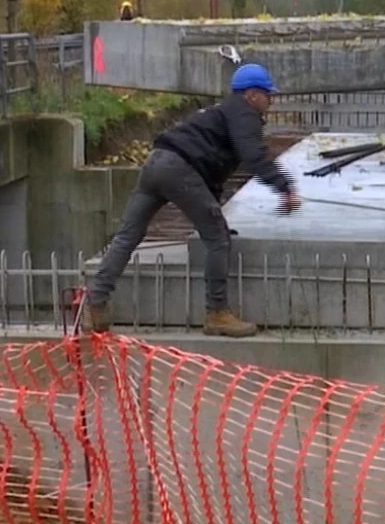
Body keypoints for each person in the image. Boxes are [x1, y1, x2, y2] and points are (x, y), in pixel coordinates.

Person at [79, 63, 301, 337]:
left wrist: (213, 214)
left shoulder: (220, 113)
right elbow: (254, 156)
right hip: (178, 169)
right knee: (218, 239)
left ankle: (95, 305)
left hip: (156, 163)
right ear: (252, 94)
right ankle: (217, 313)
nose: (271, 101)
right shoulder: (245, 114)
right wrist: (285, 187)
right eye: (268, 94)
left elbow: (211, 172)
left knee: (127, 236)